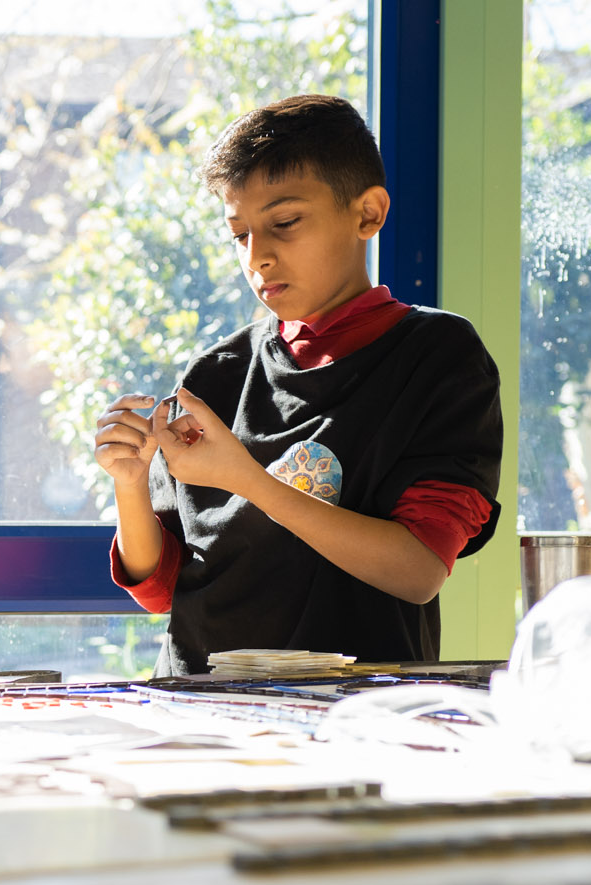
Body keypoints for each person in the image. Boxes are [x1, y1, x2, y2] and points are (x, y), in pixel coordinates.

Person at [94, 94, 501, 676]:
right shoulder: (215, 374)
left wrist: (247, 481)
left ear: (368, 214)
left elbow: (418, 572)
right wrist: (131, 485)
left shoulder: (439, 356)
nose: (258, 257)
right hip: (196, 707)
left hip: (353, 719)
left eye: (284, 223)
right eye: (239, 234)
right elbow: (159, 589)